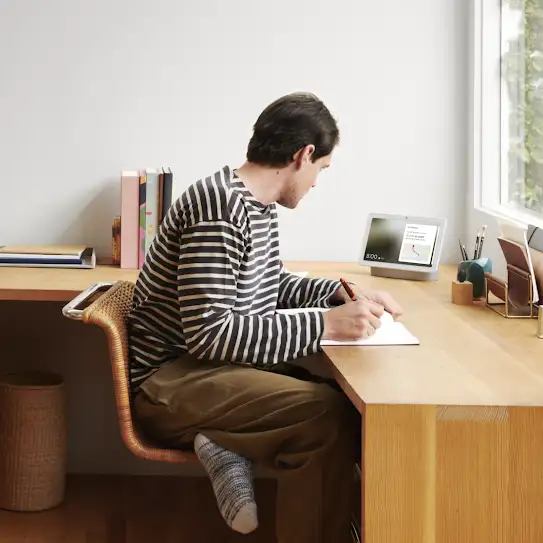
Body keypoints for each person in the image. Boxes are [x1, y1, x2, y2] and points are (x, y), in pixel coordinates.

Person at [127, 92, 403, 543]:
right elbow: (211, 334)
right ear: (304, 155)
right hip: (170, 381)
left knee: (341, 401)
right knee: (328, 417)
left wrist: (336, 294)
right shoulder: (219, 207)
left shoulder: (256, 206)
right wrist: (324, 326)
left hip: (209, 374)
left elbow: (267, 286)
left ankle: (231, 447)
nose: (316, 183)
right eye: (322, 170)